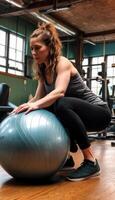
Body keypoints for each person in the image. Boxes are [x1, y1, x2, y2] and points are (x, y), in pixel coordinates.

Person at [11, 22, 111, 181]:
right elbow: (38, 98)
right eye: (31, 49)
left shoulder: (62, 62)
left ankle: (91, 162)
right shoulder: (43, 69)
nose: (34, 52)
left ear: (50, 47)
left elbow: (59, 92)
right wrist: (24, 107)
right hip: (78, 114)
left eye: (38, 48)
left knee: (59, 103)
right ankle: (66, 158)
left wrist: (36, 104)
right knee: (45, 107)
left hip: (99, 113)